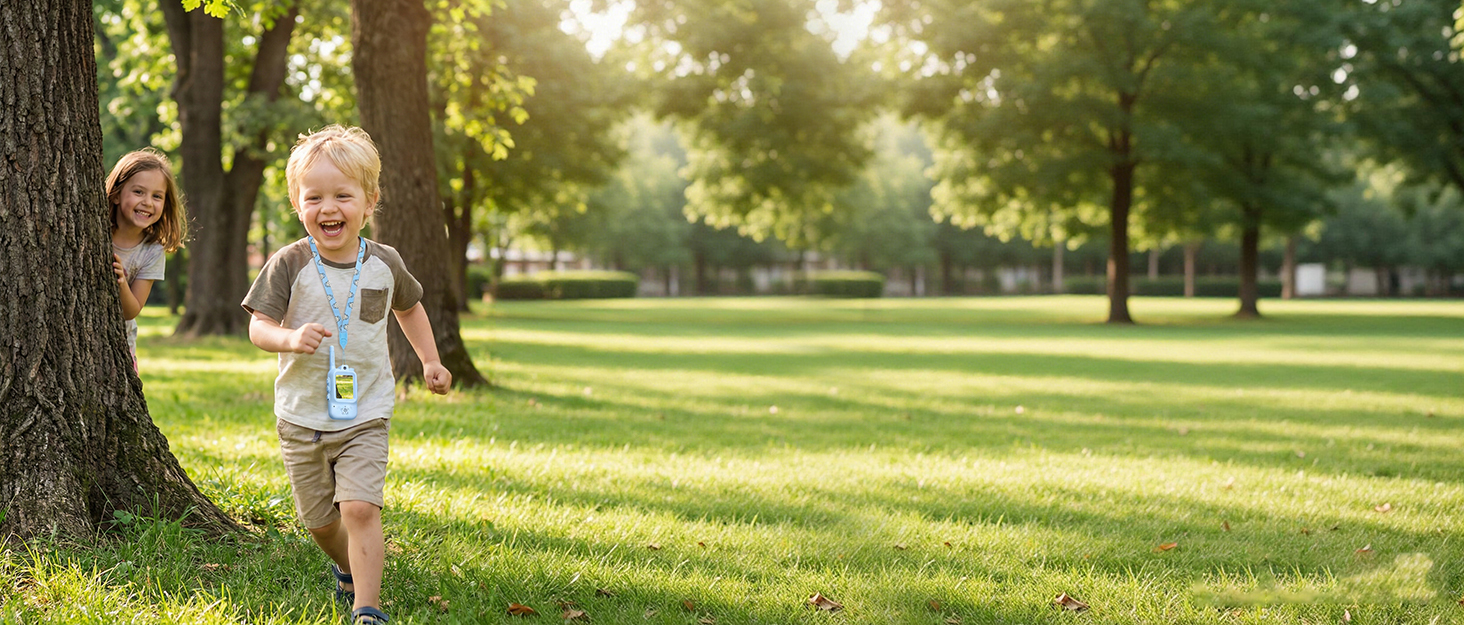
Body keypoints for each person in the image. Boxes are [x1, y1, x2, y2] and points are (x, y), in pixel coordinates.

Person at [242, 125, 451, 625]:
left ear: (369, 201)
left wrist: (430, 360)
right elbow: (259, 327)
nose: (328, 208)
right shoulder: (288, 262)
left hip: (366, 411)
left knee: (360, 509)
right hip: (301, 413)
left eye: (342, 195)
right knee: (319, 522)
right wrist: (289, 338)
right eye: (314, 197)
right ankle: (348, 569)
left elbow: (411, 309)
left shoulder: (384, 263)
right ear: (297, 203)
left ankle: (368, 609)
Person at [107, 149, 186, 370]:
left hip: (119, 346)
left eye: (157, 196)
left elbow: (131, 311)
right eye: (139, 192)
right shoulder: (96, 233)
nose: (148, 202)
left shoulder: (152, 250)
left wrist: (121, 283)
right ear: (116, 194)